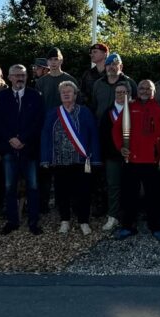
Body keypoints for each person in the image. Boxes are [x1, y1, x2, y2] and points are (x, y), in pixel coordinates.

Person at [113, 80, 160, 241]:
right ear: (136, 90)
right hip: (131, 160)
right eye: (141, 88)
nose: (145, 91)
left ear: (154, 91)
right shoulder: (129, 107)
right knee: (128, 196)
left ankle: (156, 226)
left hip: (153, 161)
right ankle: (127, 226)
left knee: (154, 196)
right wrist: (121, 148)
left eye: (149, 88)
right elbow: (116, 130)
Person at [40, 80, 100, 235]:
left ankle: (83, 221)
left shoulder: (85, 112)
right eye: (63, 92)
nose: (66, 94)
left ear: (75, 94)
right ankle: (64, 220)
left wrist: (95, 158)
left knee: (83, 192)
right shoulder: (53, 113)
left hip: (81, 161)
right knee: (62, 193)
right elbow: (45, 136)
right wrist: (45, 158)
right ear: (60, 95)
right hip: (60, 161)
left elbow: (93, 135)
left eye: (69, 91)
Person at [0, 65, 45, 235]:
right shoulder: (2, 97)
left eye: (23, 75)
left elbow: (39, 121)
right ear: (9, 77)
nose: (20, 78)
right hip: (9, 149)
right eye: (16, 75)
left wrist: (23, 139)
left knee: (33, 186)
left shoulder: (35, 96)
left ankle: (34, 222)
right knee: (9, 186)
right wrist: (10, 139)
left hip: (29, 149)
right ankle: (12, 221)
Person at [97, 82, 130, 231]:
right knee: (113, 186)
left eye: (123, 92)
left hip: (133, 156)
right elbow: (103, 137)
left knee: (131, 186)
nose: (120, 95)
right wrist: (115, 151)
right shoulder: (108, 113)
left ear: (128, 93)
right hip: (113, 156)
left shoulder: (134, 110)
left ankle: (130, 216)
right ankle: (113, 216)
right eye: (118, 92)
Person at [91, 53, 136, 120]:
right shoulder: (98, 84)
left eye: (114, 64)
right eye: (108, 64)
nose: (111, 67)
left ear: (121, 67)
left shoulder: (130, 83)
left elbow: (136, 105)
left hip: (123, 124)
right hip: (101, 126)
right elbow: (94, 106)